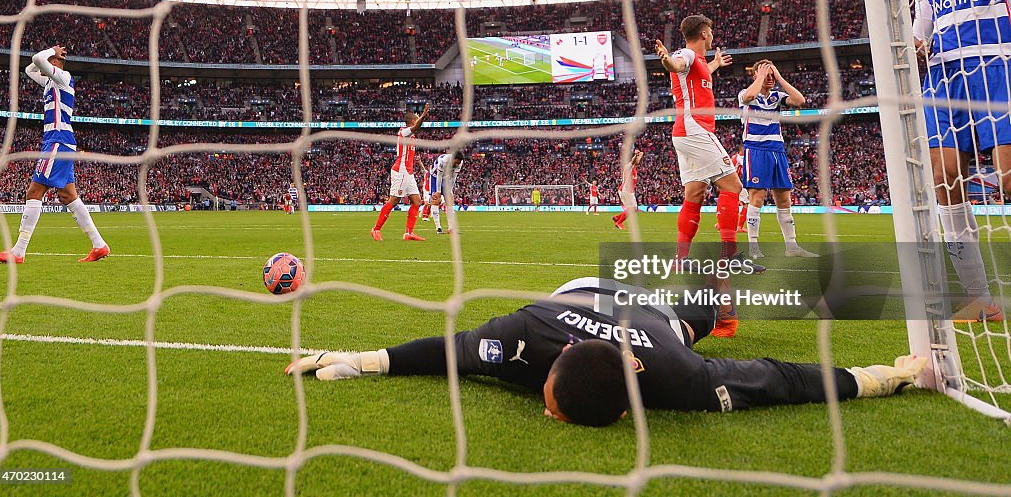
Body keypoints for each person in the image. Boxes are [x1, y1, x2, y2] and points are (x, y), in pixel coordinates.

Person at [286, 277, 928, 427]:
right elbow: (448, 349)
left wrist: (883, 377)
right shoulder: (525, 333)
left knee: (699, 315)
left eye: (548, 409)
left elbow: (785, 379)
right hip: (593, 296)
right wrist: (359, 360)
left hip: (656, 318)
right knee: (695, 313)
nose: (542, 411)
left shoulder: (681, 380)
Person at [912, 0, 1010, 322]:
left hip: (995, 70)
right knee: (943, 178)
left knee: (1007, 177)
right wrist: (913, 46)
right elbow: (921, 33)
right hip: (943, 79)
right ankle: (980, 297)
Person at [655, 15, 764, 337]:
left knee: (695, 194)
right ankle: (729, 253)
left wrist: (714, 64)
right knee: (734, 186)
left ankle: (681, 257)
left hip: (684, 132)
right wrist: (667, 61)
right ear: (704, 34)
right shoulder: (687, 55)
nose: (714, 34)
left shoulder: (701, 63)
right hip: (695, 128)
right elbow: (677, 64)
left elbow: (691, 71)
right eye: (712, 31)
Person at [0, 46, 110, 264]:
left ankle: (18, 251)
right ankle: (99, 245)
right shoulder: (49, 83)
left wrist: (51, 51)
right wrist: (49, 55)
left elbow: (37, 58)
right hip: (59, 141)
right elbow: (29, 68)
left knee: (34, 191)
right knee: (68, 196)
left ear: (54, 63)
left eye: (50, 61)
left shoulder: (63, 77)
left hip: (57, 141)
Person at [738, 60, 818, 259]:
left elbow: (800, 101)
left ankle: (792, 247)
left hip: (777, 150)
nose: (770, 78)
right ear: (756, 75)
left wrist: (779, 76)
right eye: (766, 74)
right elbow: (749, 96)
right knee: (757, 197)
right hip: (755, 149)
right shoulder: (746, 93)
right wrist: (760, 77)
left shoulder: (777, 96)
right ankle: (754, 248)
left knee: (784, 199)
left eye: (771, 74)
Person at [371, 103, 430, 241]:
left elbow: (416, 128)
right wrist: (423, 115)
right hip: (401, 170)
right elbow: (416, 127)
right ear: (412, 121)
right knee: (394, 200)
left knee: (416, 201)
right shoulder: (404, 131)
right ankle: (376, 229)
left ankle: (409, 233)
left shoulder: (412, 135)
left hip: (408, 172)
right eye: (416, 118)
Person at [428, 151, 465, 235]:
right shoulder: (443, 161)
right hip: (435, 177)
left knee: (450, 201)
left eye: (458, 163)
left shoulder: (460, 162)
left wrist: (450, 191)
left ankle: (451, 228)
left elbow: (453, 177)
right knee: (436, 200)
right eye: (456, 162)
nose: (456, 164)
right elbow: (439, 176)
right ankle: (438, 228)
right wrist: (438, 191)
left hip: (446, 178)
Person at [613, 151, 643, 230]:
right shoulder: (628, 166)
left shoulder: (634, 168)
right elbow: (634, 160)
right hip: (625, 190)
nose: (638, 161)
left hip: (628, 191)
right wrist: (635, 155)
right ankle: (619, 222)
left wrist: (639, 154)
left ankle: (617, 218)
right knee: (633, 208)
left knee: (632, 209)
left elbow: (640, 155)